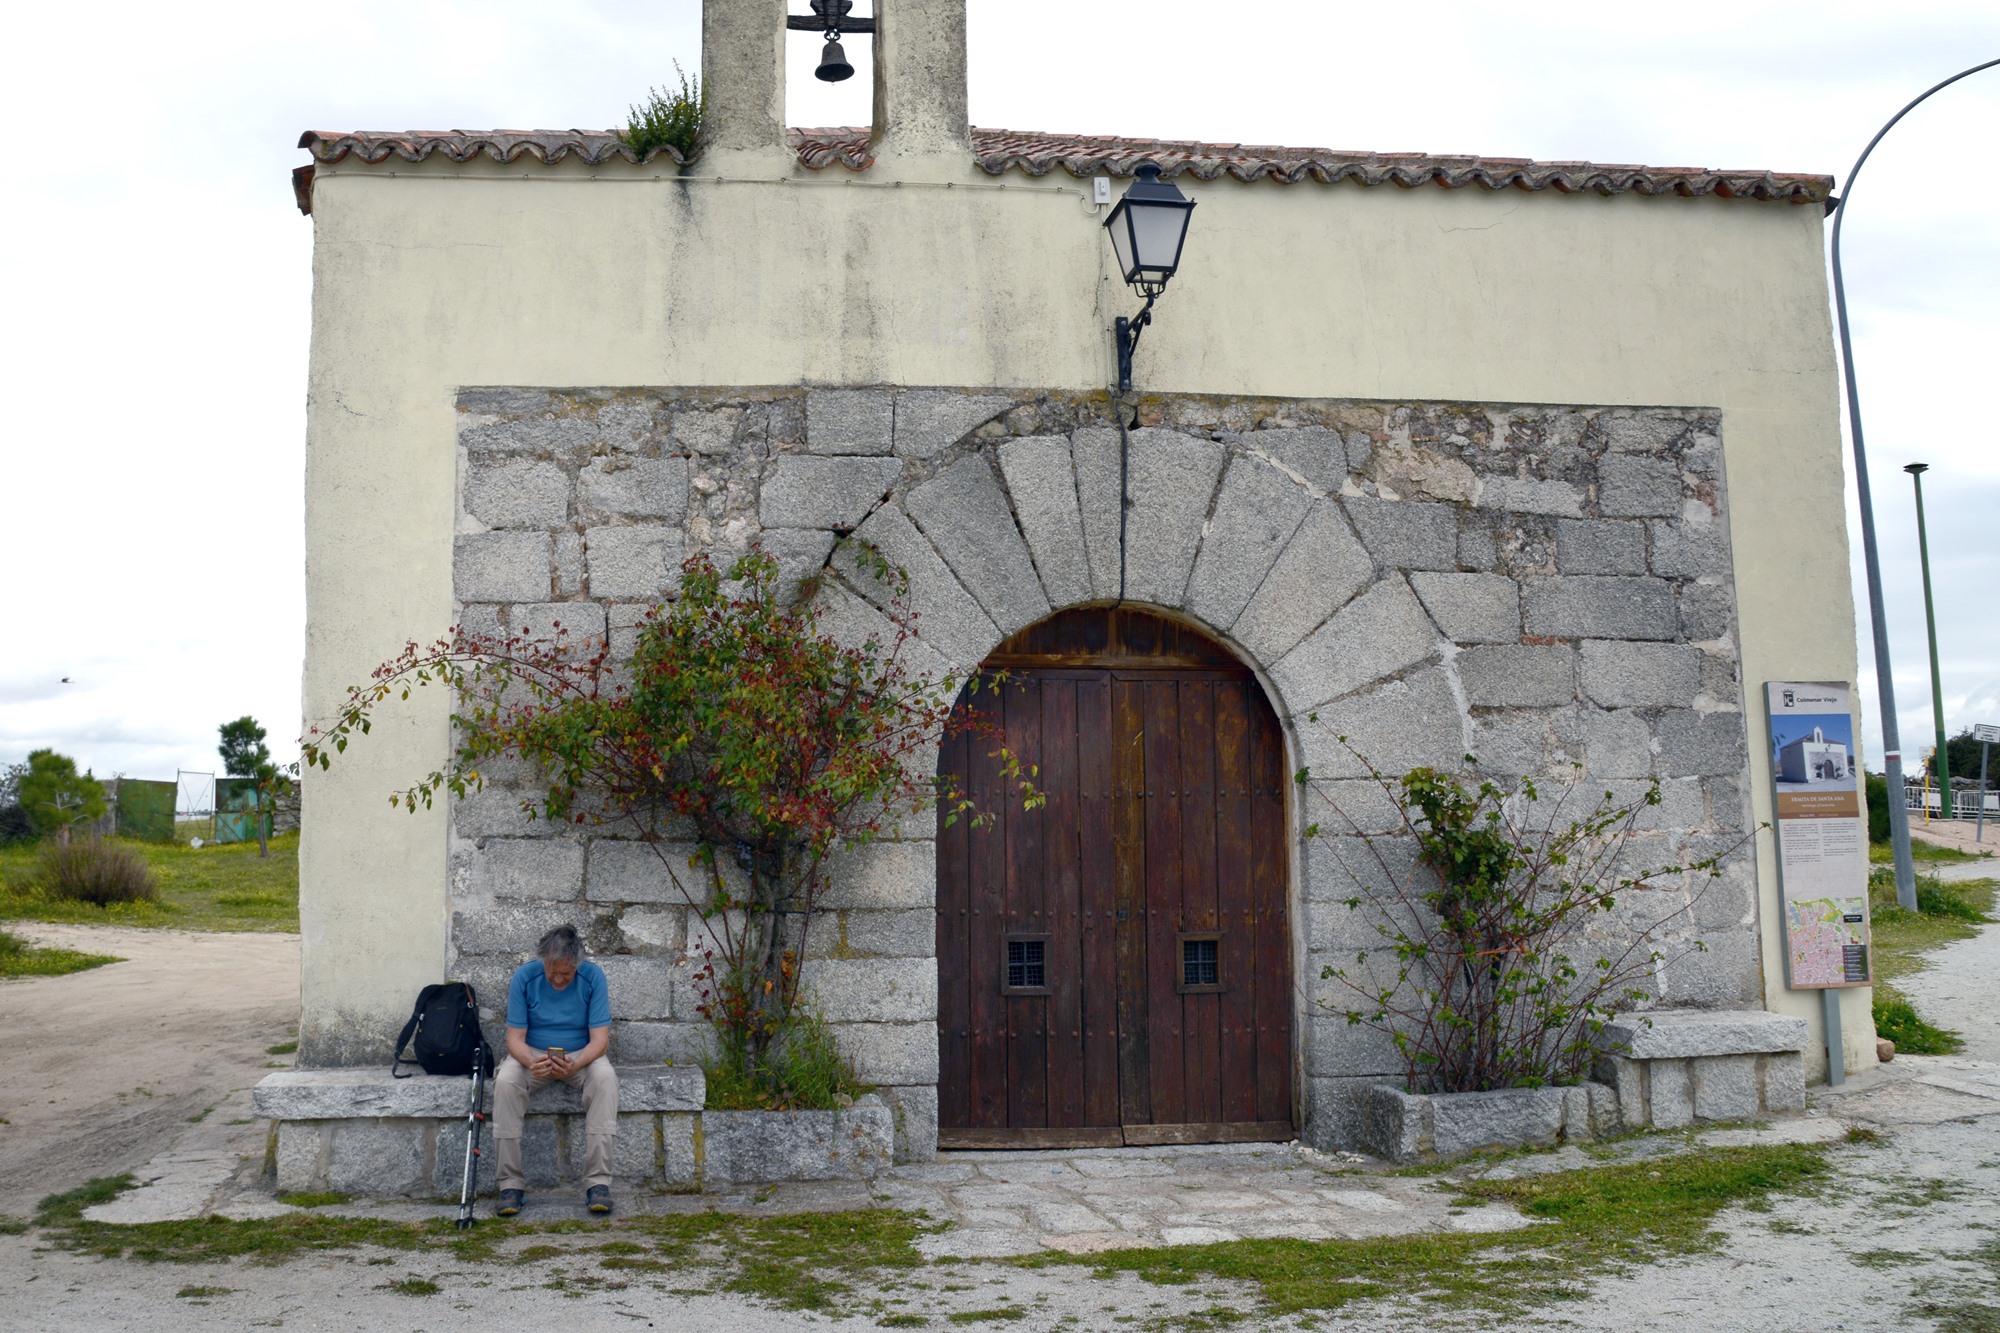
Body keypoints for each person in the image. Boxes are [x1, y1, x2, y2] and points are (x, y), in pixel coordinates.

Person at [493, 924, 617, 1216]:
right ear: (543, 959)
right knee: (506, 1081)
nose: (559, 979)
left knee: (605, 1078)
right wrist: (529, 1061)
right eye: (553, 971)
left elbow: (600, 1041)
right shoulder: (525, 976)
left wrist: (577, 1062)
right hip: (533, 1054)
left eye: (566, 973)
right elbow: (514, 1040)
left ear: (577, 964)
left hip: (580, 1056)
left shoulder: (593, 977)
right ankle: (510, 1185)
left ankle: (598, 1184)